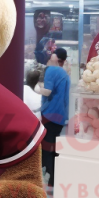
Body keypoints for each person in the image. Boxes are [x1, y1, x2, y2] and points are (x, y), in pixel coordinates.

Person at [36, 47, 70, 189]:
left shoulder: (51, 70)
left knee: (46, 149)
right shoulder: (64, 72)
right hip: (60, 116)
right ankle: (54, 179)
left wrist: (34, 88)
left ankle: (51, 179)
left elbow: (48, 91)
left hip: (50, 114)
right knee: (53, 148)